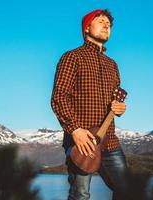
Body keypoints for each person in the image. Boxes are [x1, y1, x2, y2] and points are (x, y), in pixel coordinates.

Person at [51, 9, 127, 200]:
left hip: (109, 141)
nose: (106, 25)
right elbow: (59, 97)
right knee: (80, 196)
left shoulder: (113, 65)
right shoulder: (72, 57)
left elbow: (114, 102)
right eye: (100, 21)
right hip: (81, 142)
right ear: (86, 28)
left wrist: (119, 108)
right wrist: (75, 130)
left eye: (108, 24)